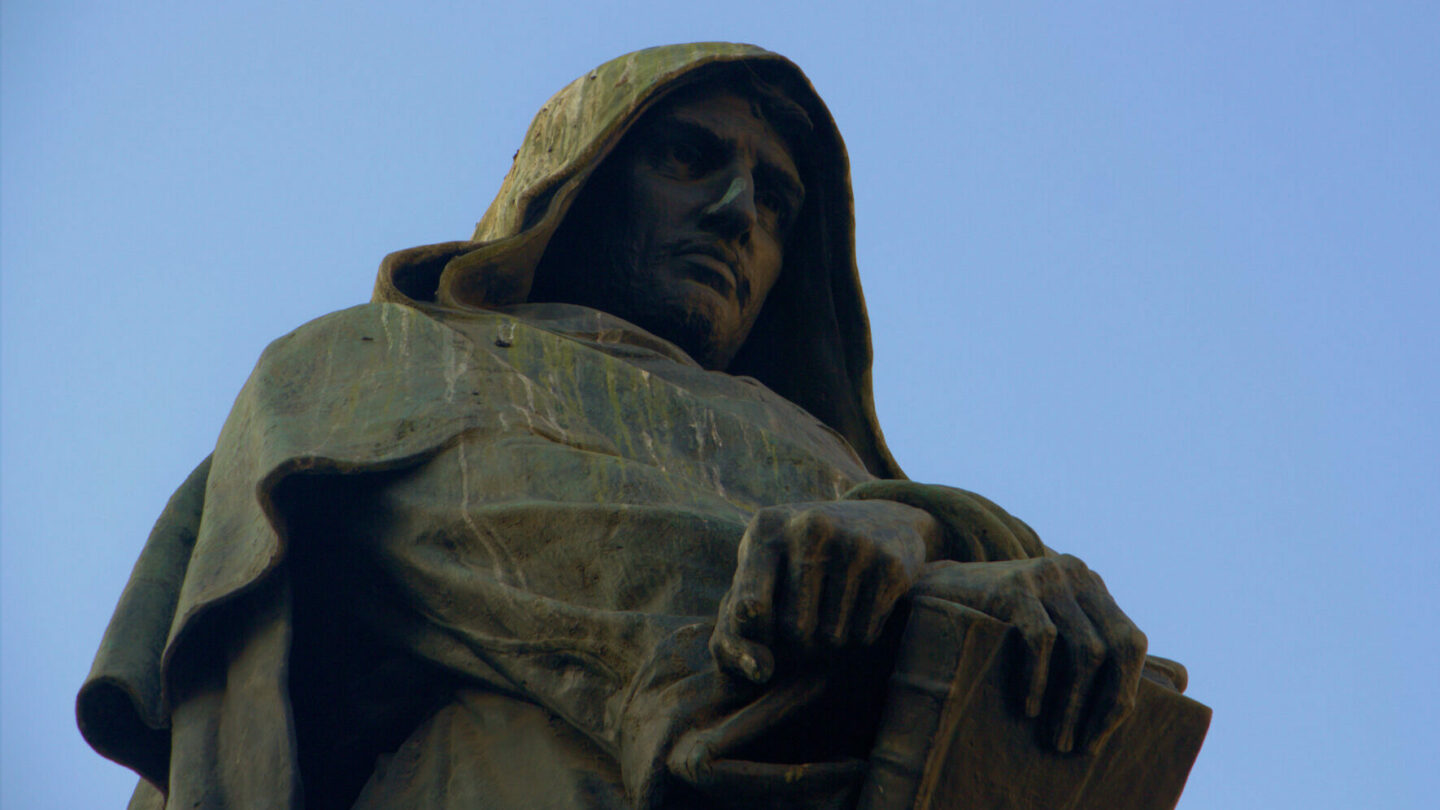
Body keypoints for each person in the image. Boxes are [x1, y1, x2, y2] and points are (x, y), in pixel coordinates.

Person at [79, 43, 1164, 810]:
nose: (740, 209)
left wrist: (943, 538)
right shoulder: (373, 362)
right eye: (692, 159)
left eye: (777, 202)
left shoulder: (828, 461)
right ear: (577, 186)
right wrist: (890, 597)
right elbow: (521, 536)